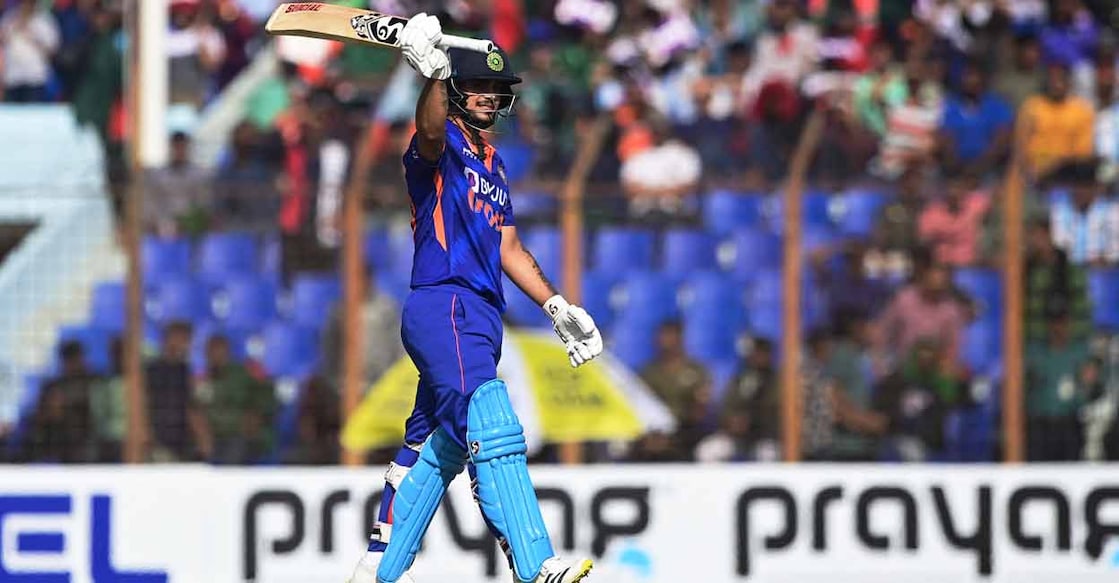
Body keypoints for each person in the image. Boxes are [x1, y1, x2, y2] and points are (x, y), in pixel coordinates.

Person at [347, 14, 602, 583]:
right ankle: (536, 566)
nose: (490, 96)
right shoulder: (440, 149)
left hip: (482, 315)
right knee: (492, 420)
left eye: (498, 89)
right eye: (478, 85)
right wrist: (434, 75)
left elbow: (509, 246)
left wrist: (557, 307)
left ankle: (379, 570)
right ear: (455, 88)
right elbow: (430, 130)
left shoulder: (494, 164)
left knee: (437, 444)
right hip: (447, 304)